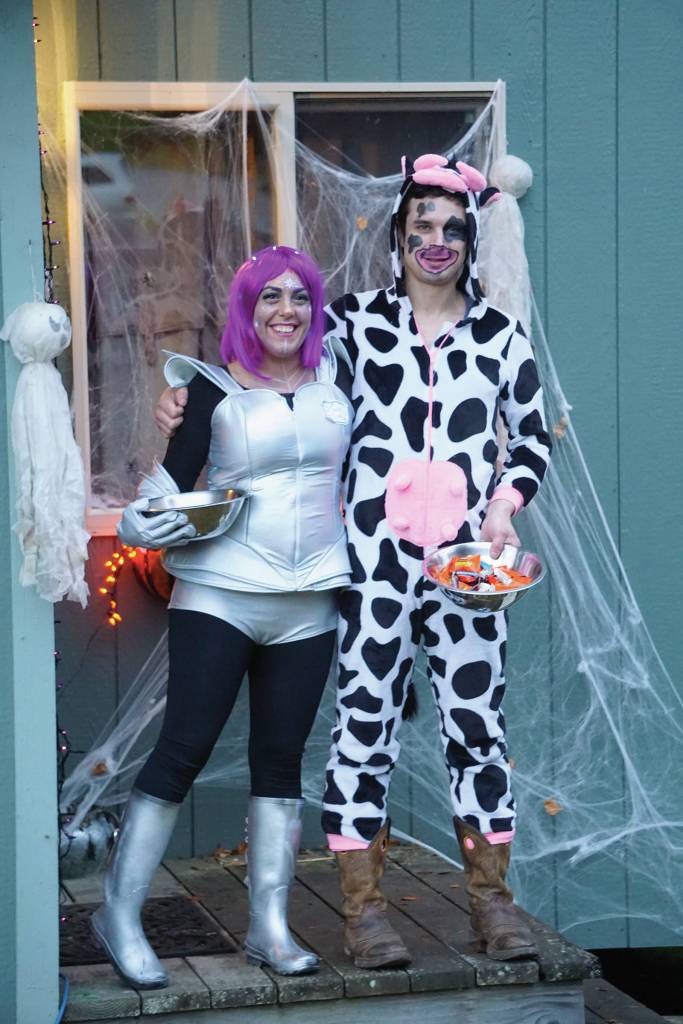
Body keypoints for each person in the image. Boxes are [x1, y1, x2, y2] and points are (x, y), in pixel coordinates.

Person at [155, 155, 551, 969]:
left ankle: (492, 902)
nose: (435, 242)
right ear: (398, 234)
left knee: (477, 732)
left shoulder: (499, 338)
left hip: (470, 578)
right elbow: (280, 384)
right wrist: (189, 401)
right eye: (422, 227)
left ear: (470, 240)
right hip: (371, 571)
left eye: (451, 229)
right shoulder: (355, 327)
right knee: (360, 731)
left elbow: (532, 439)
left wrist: (505, 504)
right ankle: (364, 911)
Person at [92, 245, 353, 989]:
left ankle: (268, 927)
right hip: (220, 596)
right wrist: (148, 525)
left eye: (298, 297)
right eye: (267, 297)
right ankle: (118, 911)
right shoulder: (208, 391)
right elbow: (159, 494)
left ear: (313, 310)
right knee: (184, 750)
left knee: (281, 762)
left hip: (309, 605)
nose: (284, 311)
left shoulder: (340, 384)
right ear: (245, 310)